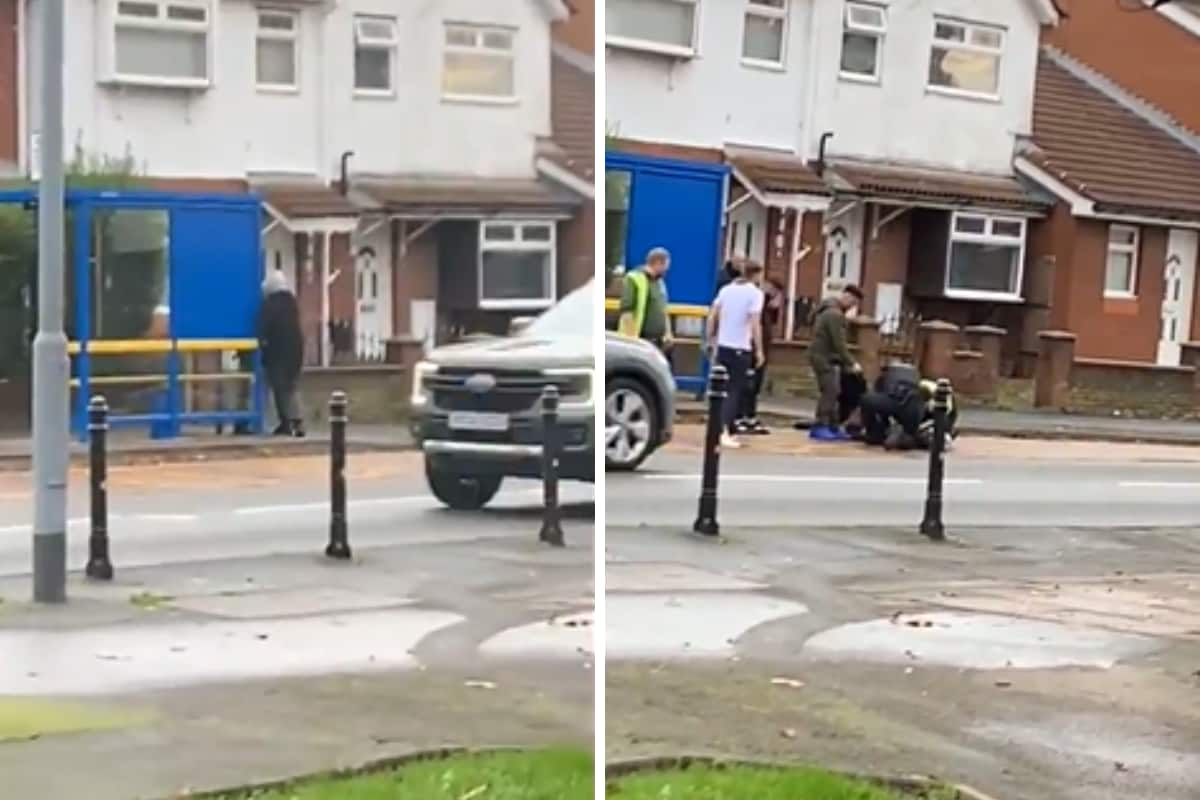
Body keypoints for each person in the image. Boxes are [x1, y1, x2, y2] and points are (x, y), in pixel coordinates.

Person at [706, 260, 765, 449]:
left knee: (720, 389)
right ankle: (723, 431)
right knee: (733, 391)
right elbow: (755, 323)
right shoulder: (755, 294)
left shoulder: (726, 290)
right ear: (756, 275)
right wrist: (760, 349)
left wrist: (710, 339)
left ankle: (726, 429)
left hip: (723, 346)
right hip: (741, 347)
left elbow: (712, 315)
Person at [808, 285, 863, 441]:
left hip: (823, 356)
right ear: (847, 297)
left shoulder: (827, 310)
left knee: (834, 390)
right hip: (823, 357)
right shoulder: (834, 314)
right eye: (853, 302)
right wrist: (851, 363)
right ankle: (820, 425)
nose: (853, 306)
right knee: (830, 391)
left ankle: (832, 426)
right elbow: (838, 343)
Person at [860, 363, 958, 451]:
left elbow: (945, 413)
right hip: (917, 409)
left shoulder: (935, 403)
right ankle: (884, 434)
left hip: (918, 412)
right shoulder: (927, 391)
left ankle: (884, 434)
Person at [259, 270, 306, 437]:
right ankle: (297, 421)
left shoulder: (271, 304)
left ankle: (288, 422)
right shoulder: (291, 302)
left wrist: (262, 342)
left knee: (281, 388)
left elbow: (264, 327)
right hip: (295, 350)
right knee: (291, 387)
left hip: (278, 352)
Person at [734, 271, 782, 436]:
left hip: (762, 348)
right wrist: (757, 350)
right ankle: (740, 416)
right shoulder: (757, 300)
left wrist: (775, 308)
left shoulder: (767, 305)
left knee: (755, 385)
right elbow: (754, 325)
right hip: (751, 348)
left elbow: (771, 324)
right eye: (773, 288)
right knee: (748, 385)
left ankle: (750, 416)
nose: (773, 293)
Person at [617, 247, 673, 358]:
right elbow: (627, 312)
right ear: (657, 263)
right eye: (666, 266)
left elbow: (663, 310)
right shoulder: (633, 278)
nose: (667, 270)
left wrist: (668, 334)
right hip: (639, 340)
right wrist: (633, 340)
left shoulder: (660, 282)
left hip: (658, 342)